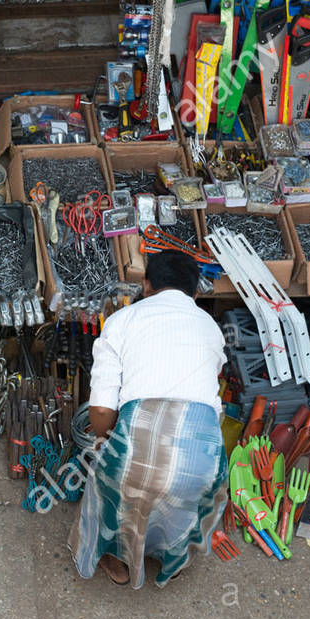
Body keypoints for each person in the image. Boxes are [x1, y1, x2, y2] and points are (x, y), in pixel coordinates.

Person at [69, 250, 227, 589]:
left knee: (111, 477)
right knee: (184, 490)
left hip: (137, 456)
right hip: (205, 459)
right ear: (195, 292)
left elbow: (100, 411)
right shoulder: (211, 327)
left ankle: (116, 555)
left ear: (146, 284)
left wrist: (105, 440)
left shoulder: (122, 321)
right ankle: (172, 556)